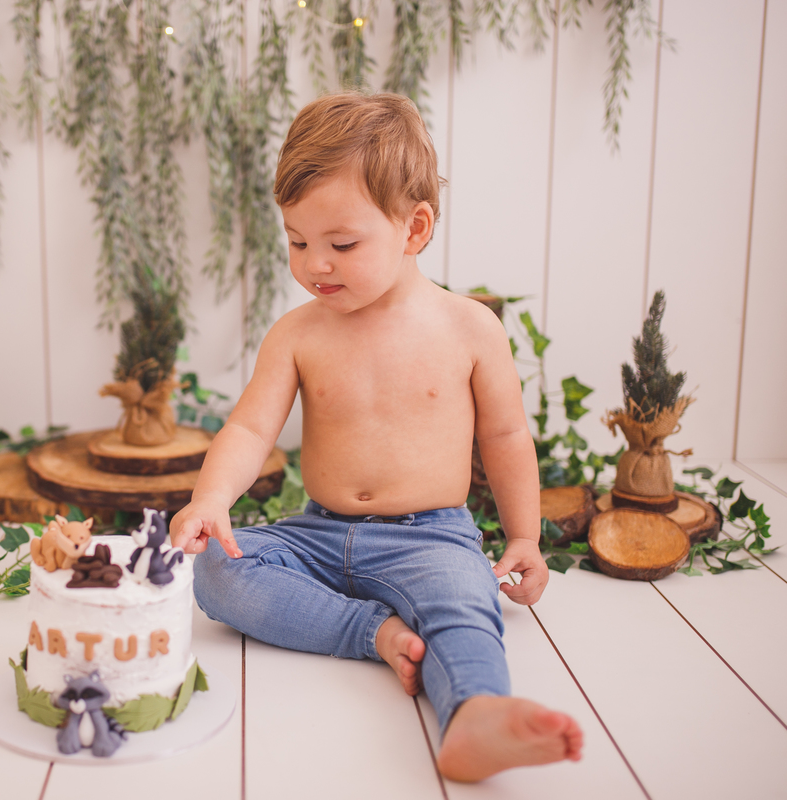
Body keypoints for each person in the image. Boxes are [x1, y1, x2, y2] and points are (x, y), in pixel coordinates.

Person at [169, 92, 583, 782]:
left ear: (414, 228)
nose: (315, 265)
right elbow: (249, 426)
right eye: (298, 242)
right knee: (216, 570)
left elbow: (507, 435)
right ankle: (373, 632)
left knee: (465, 603)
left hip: (431, 537)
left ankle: (476, 713)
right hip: (318, 532)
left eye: (342, 245)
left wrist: (523, 537)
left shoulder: (468, 328)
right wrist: (210, 499)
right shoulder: (297, 334)